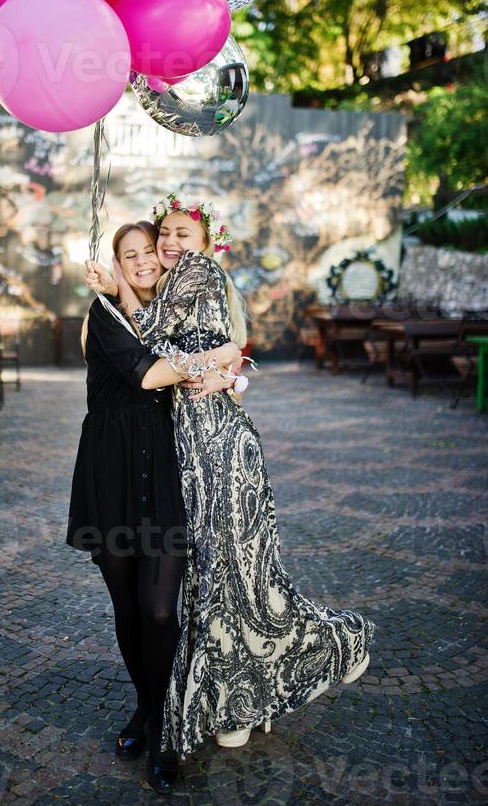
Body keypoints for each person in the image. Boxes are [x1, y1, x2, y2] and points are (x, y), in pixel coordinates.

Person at [95, 194, 377, 761]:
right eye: (163, 235)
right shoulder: (184, 283)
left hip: (219, 451)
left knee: (237, 577)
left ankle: (321, 651)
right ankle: (228, 700)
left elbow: (161, 334)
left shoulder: (197, 274)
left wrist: (224, 362)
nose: (170, 246)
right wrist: (225, 362)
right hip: (186, 454)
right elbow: (185, 352)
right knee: (220, 582)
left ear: (203, 241)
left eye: (180, 235)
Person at [67, 220, 240, 793]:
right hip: (110, 472)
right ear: (116, 263)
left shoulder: (174, 310)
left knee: (160, 609)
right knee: (128, 606)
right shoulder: (105, 314)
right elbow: (147, 375)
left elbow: (228, 372)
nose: (143, 261)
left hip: (165, 472)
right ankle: (147, 710)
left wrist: (229, 370)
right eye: (129, 254)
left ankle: (166, 729)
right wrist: (213, 358)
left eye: (149, 252)